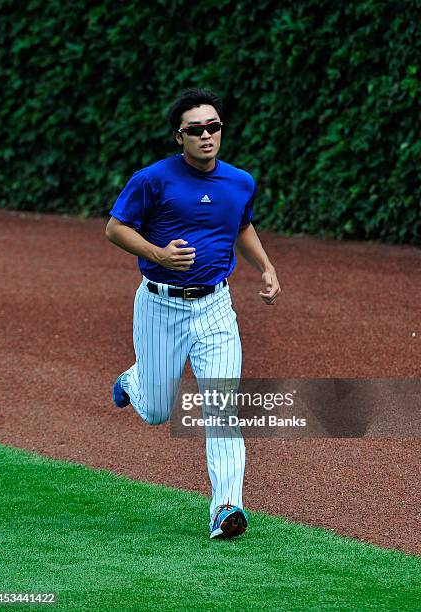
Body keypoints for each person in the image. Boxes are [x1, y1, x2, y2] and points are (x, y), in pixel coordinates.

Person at [105, 88, 281, 539]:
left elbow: (241, 224)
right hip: (160, 305)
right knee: (159, 412)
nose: (206, 136)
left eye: (213, 127)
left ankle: (226, 508)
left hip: (216, 308)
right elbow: (115, 228)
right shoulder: (153, 179)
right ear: (179, 136)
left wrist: (265, 266)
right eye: (196, 130)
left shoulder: (239, 182)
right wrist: (158, 254)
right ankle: (134, 380)